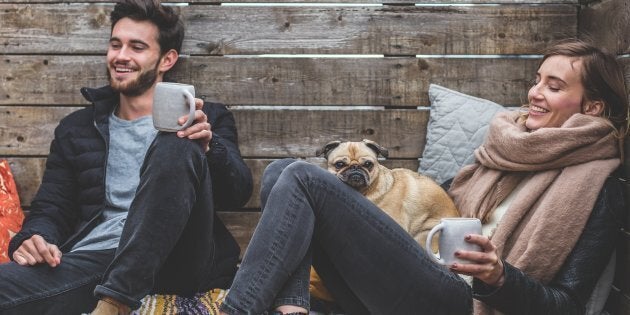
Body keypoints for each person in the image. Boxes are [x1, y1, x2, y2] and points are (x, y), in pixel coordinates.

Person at [218, 39, 628, 315]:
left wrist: (499, 276)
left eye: (553, 87)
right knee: (278, 174)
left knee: (302, 178)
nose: (534, 93)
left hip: (462, 301)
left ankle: (238, 309)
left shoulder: (597, 185)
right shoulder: (509, 146)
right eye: (536, 80)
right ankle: (293, 305)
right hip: (419, 273)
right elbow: (442, 204)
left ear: (591, 108)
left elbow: (569, 304)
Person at [0, 0, 252, 314]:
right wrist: (33, 237)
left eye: (136, 47)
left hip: (178, 258)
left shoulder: (206, 118)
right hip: (96, 261)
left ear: (166, 59)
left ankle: (116, 301)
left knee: (180, 137)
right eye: (115, 45)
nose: (121, 56)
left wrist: (209, 147)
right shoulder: (76, 129)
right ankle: (114, 293)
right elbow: (52, 207)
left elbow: (238, 192)